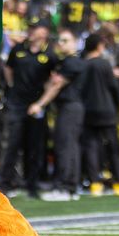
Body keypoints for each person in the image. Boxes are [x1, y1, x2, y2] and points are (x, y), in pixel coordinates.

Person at [0, 24, 57, 198]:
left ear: (44, 33)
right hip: (17, 103)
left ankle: (32, 185)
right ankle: (4, 184)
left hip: (36, 105)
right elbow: (8, 69)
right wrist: (12, 87)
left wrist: (42, 102)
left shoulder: (49, 54)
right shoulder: (18, 49)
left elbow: (55, 80)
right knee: (12, 144)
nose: (30, 33)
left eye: (35, 30)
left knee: (35, 146)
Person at [29, 28, 84, 201]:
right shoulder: (69, 61)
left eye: (65, 40)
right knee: (71, 146)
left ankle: (64, 187)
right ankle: (71, 186)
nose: (61, 43)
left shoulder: (71, 62)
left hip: (69, 107)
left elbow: (56, 86)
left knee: (64, 146)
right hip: (72, 107)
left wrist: (39, 104)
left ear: (75, 42)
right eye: (60, 40)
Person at [77, 31, 119, 194]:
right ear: (99, 46)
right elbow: (114, 87)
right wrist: (118, 103)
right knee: (113, 146)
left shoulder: (83, 64)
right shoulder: (104, 64)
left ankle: (95, 183)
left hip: (89, 109)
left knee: (91, 145)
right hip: (107, 109)